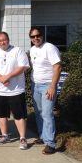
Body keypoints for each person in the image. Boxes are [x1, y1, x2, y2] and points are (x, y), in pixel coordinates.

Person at [0, 32, 30, 150]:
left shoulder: (18, 51)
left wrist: (7, 77)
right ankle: (5, 135)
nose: (2, 42)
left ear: (8, 40)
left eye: (4, 40)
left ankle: (22, 138)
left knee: (19, 115)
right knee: (1, 115)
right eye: (0, 41)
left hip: (15, 91)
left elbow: (23, 67)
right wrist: (1, 78)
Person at [29, 26, 61, 155]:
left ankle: (50, 143)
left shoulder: (50, 48)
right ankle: (43, 136)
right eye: (33, 36)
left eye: (38, 35)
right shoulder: (32, 50)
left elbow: (57, 67)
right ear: (30, 38)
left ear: (42, 36)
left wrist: (53, 86)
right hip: (35, 84)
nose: (36, 38)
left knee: (47, 114)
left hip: (48, 85)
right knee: (39, 112)